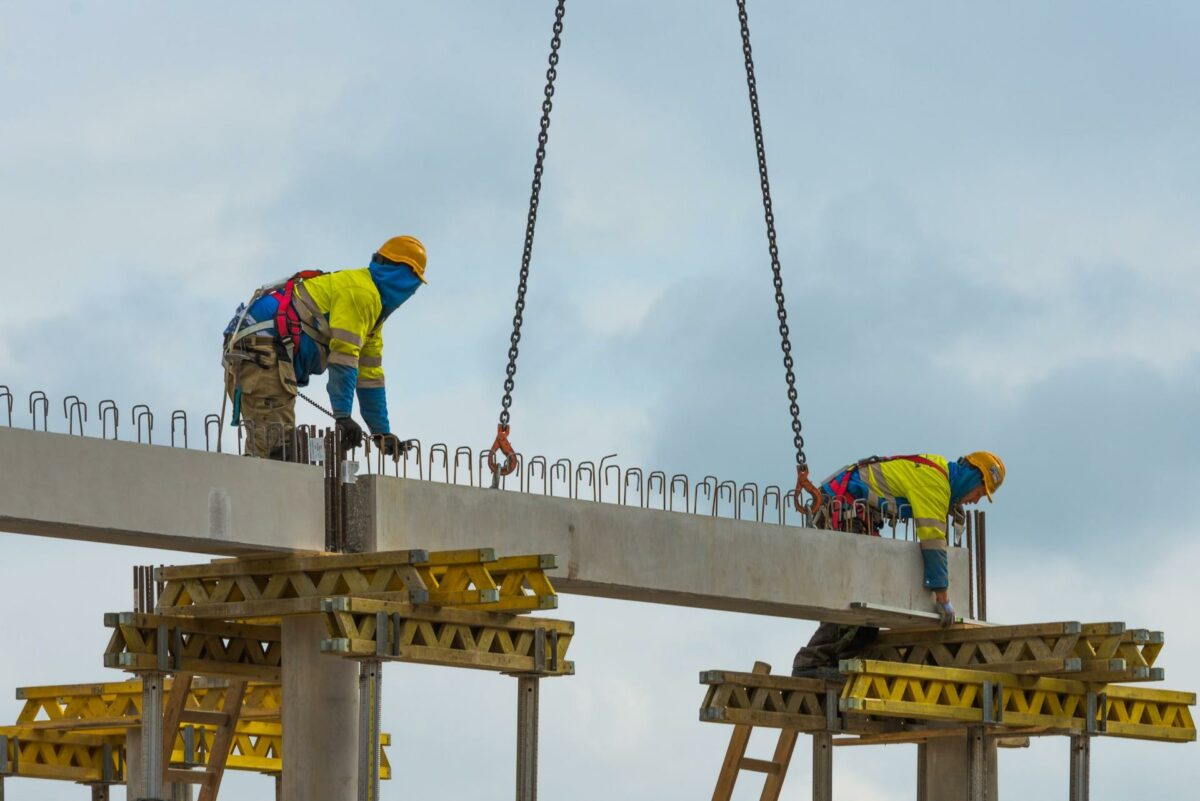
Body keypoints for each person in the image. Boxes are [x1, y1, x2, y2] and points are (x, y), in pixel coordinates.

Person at [791, 451, 1005, 677]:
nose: (975, 500)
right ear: (972, 478)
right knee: (855, 597)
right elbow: (932, 541)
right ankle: (810, 664)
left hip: (852, 512)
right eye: (979, 493)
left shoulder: (938, 476)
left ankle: (835, 664)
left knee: (868, 614)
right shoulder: (935, 483)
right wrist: (942, 597)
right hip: (842, 508)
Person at [221, 236, 427, 460]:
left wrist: (381, 433)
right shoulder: (362, 293)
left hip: (259, 345)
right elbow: (343, 360)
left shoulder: (372, 319)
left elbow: (370, 379)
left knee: (277, 450)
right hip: (260, 346)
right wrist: (343, 416)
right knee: (275, 450)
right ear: (403, 277)